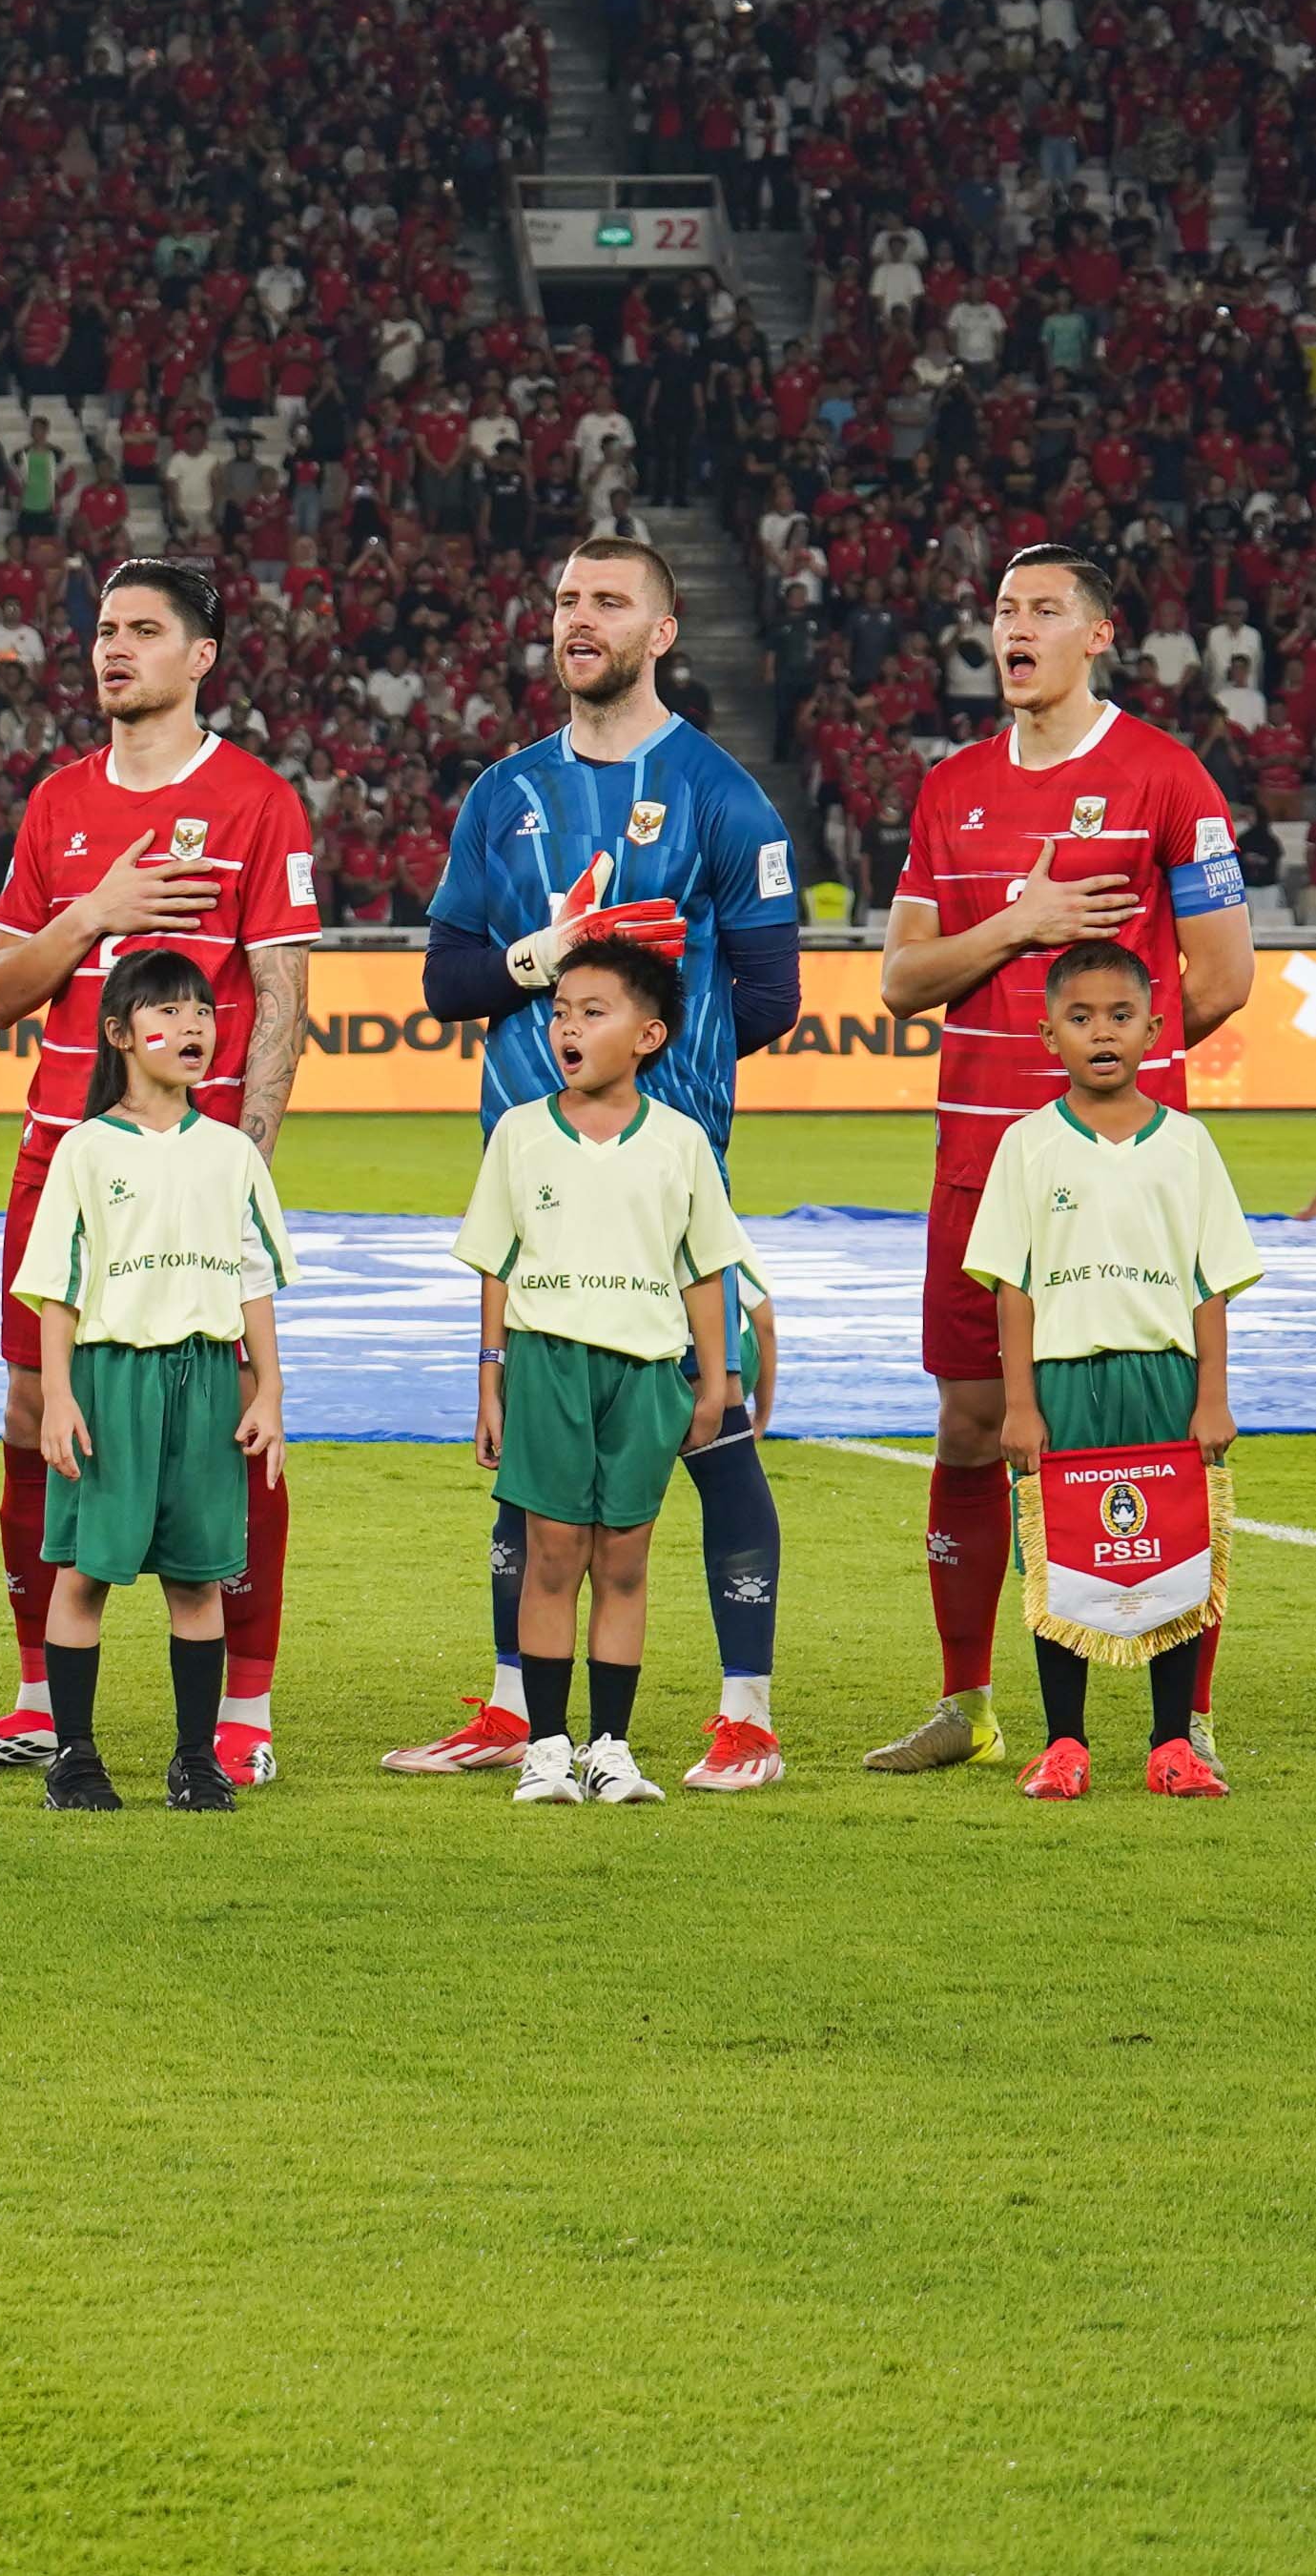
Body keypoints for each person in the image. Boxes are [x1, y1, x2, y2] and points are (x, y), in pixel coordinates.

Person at [383, 538, 807, 1790]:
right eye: (565, 597)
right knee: (534, 1454)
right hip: (537, 1182)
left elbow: (773, 992)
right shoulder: (501, 794)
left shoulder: (727, 797)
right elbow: (447, 978)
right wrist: (546, 953)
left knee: (713, 1432)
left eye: (607, 601)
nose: (577, 617)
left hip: (666, 1185)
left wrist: (654, 1052)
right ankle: (519, 1710)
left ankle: (747, 1713)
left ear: (663, 632)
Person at [0, 561, 316, 1783]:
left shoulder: (255, 802)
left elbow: (287, 991)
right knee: (37, 1416)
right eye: (102, 631)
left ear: (203, 658)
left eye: (145, 631)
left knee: (225, 1419)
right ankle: (41, 1699)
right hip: (60, 1158)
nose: (114, 649)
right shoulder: (58, 807)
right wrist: (94, 911)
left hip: (195, 1174)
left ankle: (239, 1716)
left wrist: (241, 1165)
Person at [857, 545, 1253, 1777]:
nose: (1011, 628)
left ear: (1098, 634)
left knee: (1147, 1417)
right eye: (998, 610)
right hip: (980, 1159)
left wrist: (1107, 1096)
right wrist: (1016, 926)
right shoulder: (949, 790)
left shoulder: (1165, 776)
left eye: (1039, 610)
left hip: (1123, 1177)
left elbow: (1226, 974)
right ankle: (965, 1704)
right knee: (972, 1424)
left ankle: (1174, 1722)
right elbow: (900, 980)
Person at [455, 940, 745, 1810]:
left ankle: (610, 1749)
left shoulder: (680, 1143)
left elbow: (703, 1269)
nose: (566, 1027)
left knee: (622, 1561)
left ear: (647, 1035)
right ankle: (547, 1748)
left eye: (591, 1011)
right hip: (546, 1365)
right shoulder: (518, 1133)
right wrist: (490, 1379)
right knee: (549, 1556)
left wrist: (715, 1381)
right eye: (558, 1012)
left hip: (646, 1373)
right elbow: (495, 1266)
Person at [9, 949, 293, 1819]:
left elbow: (251, 1276)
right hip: (109, 1380)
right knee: (84, 1575)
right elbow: (56, 1286)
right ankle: (75, 1758)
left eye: (202, 1013)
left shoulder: (230, 1152)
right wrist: (57, 1396)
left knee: (196, 1578)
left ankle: (194, 1761)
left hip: (204, 1380)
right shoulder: (87, 1149)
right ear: (120, 1035)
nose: (191, 1029)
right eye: (167, 1014)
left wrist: (268, 1392)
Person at [967, 943, 1253, 1800]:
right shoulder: (1025, 1145)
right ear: (1048, 1033)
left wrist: (1212, 1398)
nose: (1102, 1033)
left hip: (1163, 1378)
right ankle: (1064, 1744)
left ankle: (1171, 1745)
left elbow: (1208, 1287)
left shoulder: (1188, 1146)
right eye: (1081, 1017)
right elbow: (1010, 1287)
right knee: (1062, 1560)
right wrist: (1018, 1404)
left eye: (1120, 1016)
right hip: (1060, 1385)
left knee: (1171, 1552)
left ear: (1154, 1030)